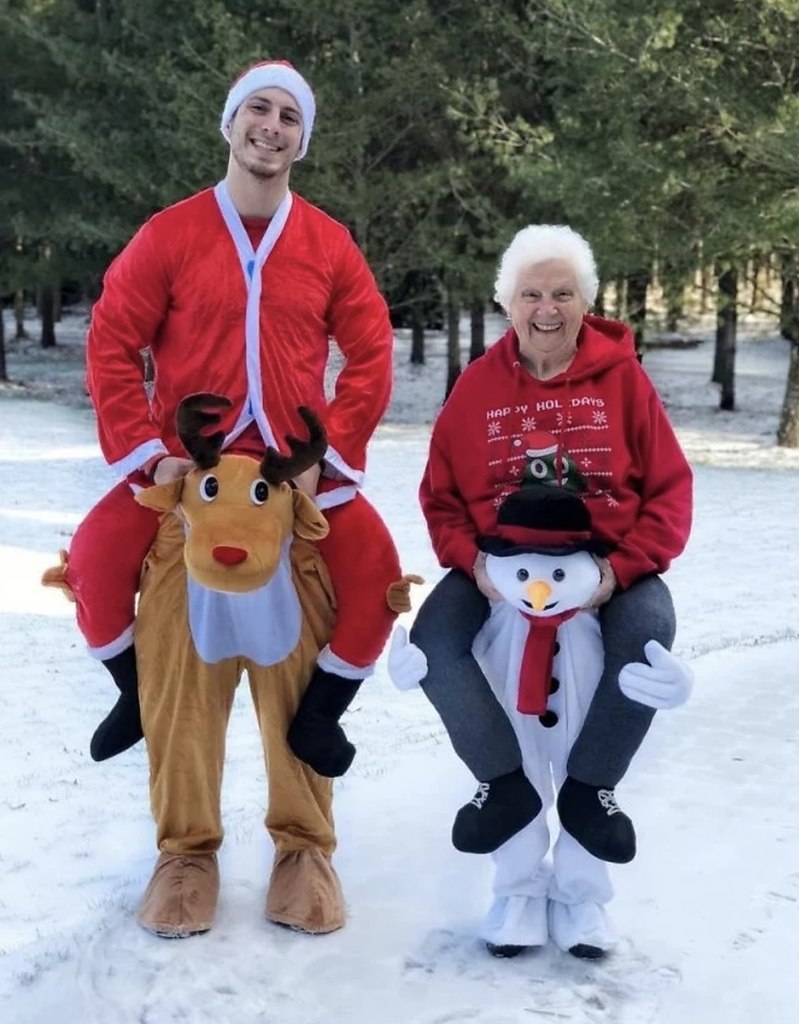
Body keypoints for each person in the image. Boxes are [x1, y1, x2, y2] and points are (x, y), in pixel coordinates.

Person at [57, 59, 401, 776]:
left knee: (377, 574)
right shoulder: (170, 233)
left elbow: (371, 350)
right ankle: (132, 691)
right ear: (231, 121)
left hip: (291, 460)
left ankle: (321, 714)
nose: (271, 127)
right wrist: (149, 454)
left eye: (289, 117)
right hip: (190, 460)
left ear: (301, 139)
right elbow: (112, 338)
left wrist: (327, 457)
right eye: (259, 109)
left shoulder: (328, 242)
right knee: (91, 559)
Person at [409, 224, 693, 864]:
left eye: (562, 293)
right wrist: (473, 564)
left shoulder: (625, 381)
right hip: (501, 562)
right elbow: (441, 497)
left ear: (585, 301)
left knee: (649, 633)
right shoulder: (476, 386)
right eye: (531, 294)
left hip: (604, 559)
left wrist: (621, 571)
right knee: (432, 641)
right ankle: (502, 781)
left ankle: (592, 787)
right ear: (507, 302)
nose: (547, 309)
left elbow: (671, 491)